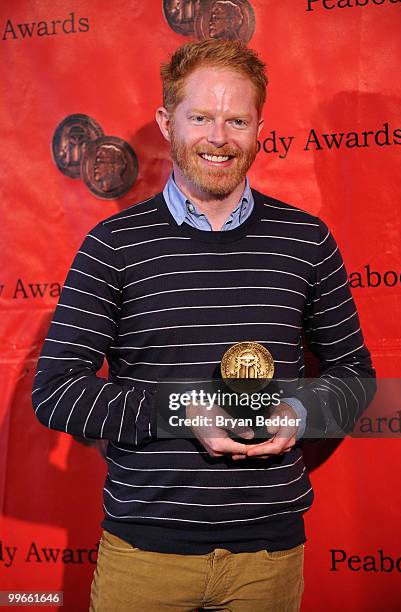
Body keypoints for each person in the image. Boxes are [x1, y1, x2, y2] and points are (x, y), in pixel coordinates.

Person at [32, 39, 376, 611]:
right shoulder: (112, 247)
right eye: (201, 117)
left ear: (260, 126)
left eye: (237, 119)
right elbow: (55, 394)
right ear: (168, 122)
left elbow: (355, 376)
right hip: (146, 557)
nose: (219, 137)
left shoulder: (306, 241)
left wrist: (303, 410)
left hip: (268, 559)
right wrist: (183, 412)